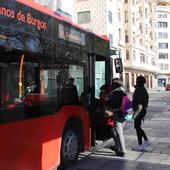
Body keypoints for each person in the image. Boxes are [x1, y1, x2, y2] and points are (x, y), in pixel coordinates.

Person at [106, 78, 126, 157]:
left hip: (117, 113)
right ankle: (117, 147)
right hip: (125, 114)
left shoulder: (115, 93)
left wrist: (107, 99)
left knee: (119, 133)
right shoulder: (124, 91)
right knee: (119, 132)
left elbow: (109, 104)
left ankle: (123, 151)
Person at [132, 75, 151, 151]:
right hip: (143, 110)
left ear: (139, 82)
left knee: (137, 127)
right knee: (137, 127)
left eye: (137, 81)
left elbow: (139, 103)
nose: (136, 82)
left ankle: (141, 144)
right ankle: (146, 141)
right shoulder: (143, 89)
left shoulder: (139, 90)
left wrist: (135, 113)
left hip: (139, 110)